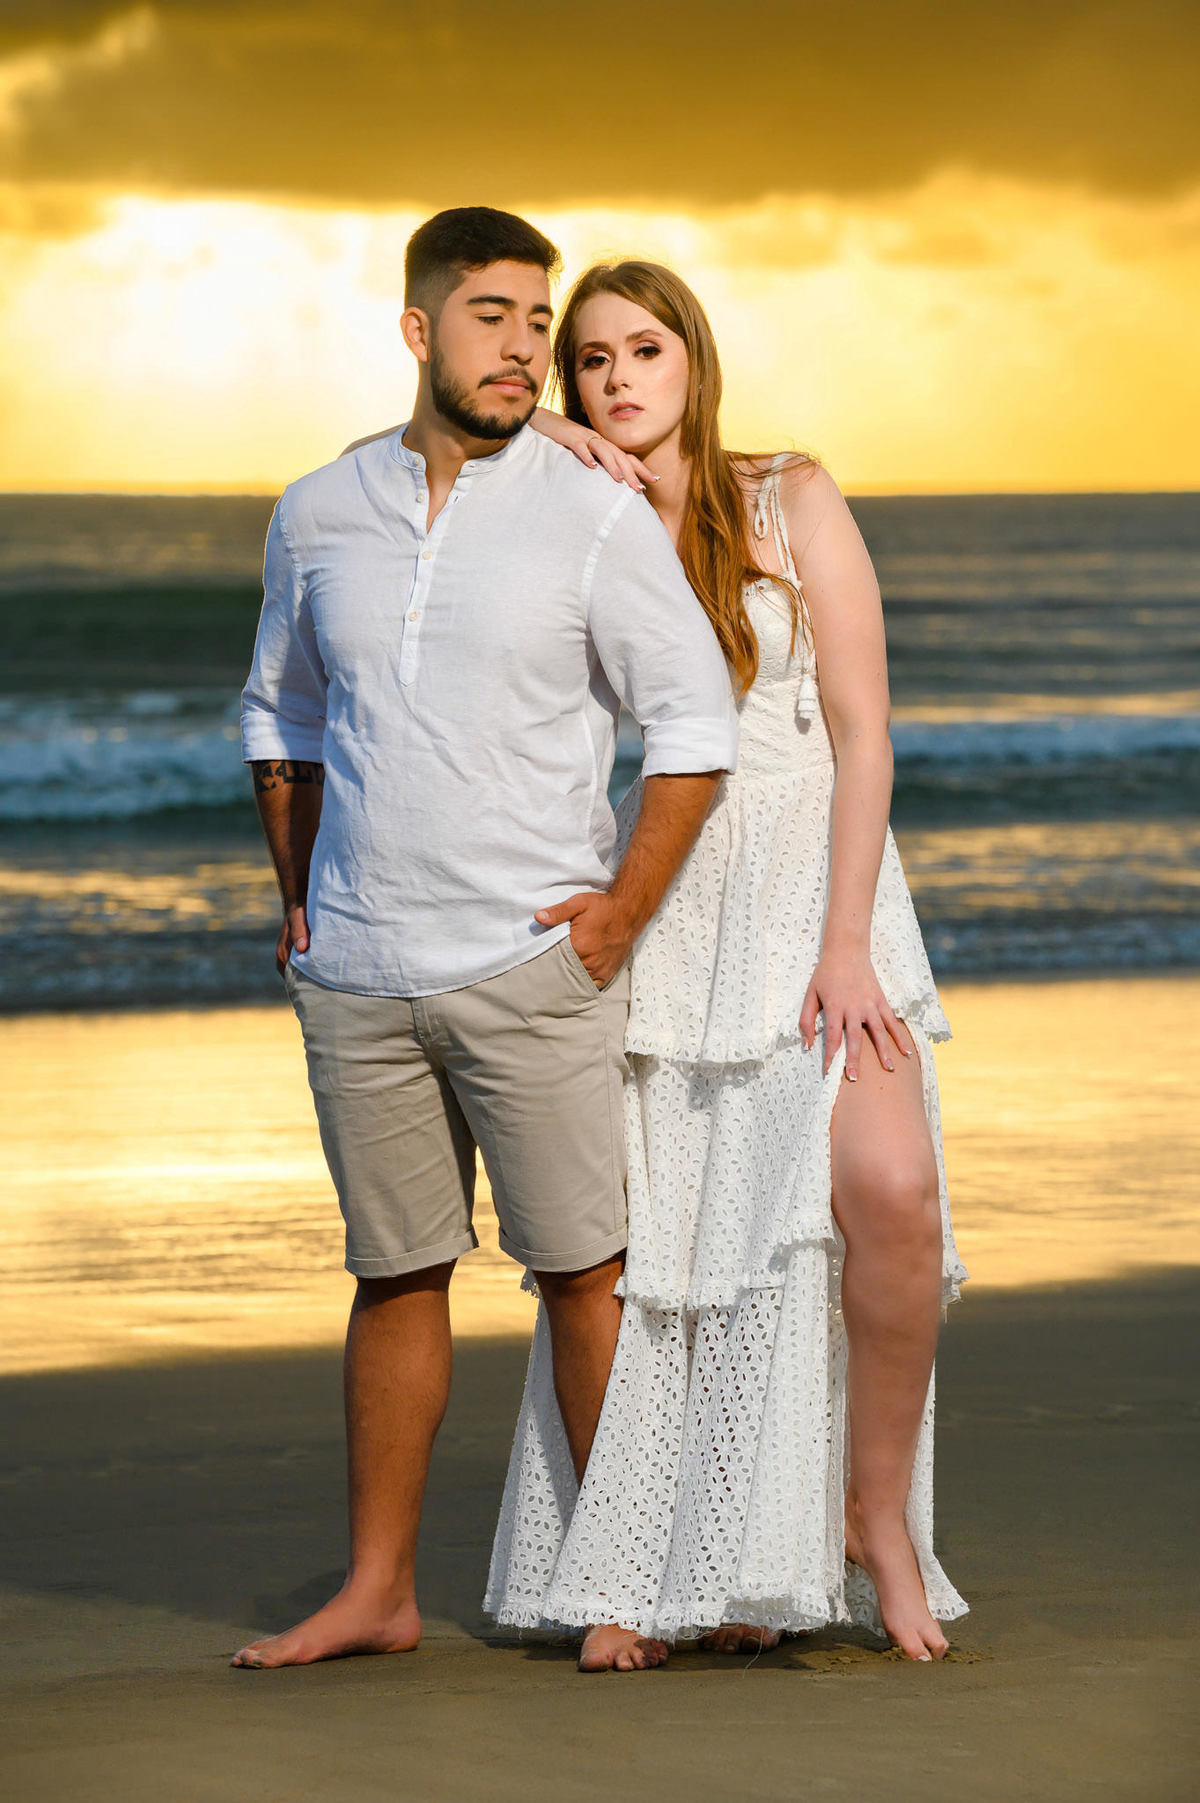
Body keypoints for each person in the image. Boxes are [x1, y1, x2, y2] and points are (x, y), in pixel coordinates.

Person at [231, 213, 738, 1670]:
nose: (525, 347)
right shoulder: (318, 508)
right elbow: (283, 709)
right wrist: (296, 891)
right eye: (494, 317)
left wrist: (618, 915)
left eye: (540, 322)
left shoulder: (588, 512)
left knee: (584, 1272)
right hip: (358, 973)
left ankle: (623, 1586)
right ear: (418, 328)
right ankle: (377, 1592)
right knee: (393, 1273)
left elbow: (692, 724)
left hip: (530, 962)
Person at [487, 261, 969, 1668]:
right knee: (689, 1249)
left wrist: (843, 943)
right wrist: (536, 456)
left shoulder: (787, 496)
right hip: (680, 899)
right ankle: (651, 1564)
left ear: (693, 359)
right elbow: (536, 721)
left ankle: (870, 1520)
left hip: (826, 896)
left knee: (889, 1194)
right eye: (589, 362)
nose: (620, 379)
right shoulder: (574, 516)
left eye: (645, 350)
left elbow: (864, 733)